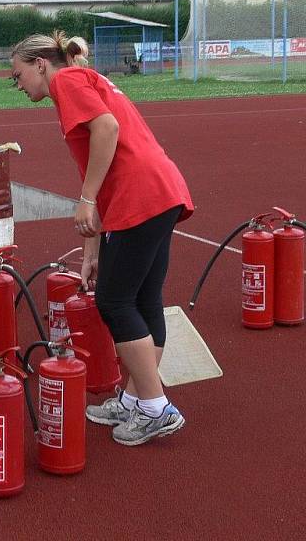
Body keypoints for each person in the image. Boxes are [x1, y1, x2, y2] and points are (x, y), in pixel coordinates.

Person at [11, 30, 194, 446]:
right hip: (158, 189)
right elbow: (93, 159)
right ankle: (137, 399)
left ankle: (155, 407)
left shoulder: (67, 81)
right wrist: (90, 249)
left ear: (40, 64)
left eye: (18, 75)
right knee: (143, 299)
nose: (18, 85)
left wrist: (87, 199)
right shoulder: (80, 78)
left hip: (140, 194)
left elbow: (107, 129)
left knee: (114, 302)